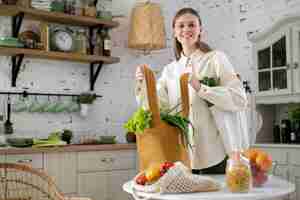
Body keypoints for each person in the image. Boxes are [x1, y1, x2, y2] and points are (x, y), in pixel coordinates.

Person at [135, 8, 248, 174]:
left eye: (191, 25)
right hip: (181, 158)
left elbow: (239, 99)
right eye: (181, 26)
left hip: (216, 155)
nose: (186, 29)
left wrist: (201, 88)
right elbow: (157, 109)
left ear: (200, 30)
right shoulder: (170, 71)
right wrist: (142, 86)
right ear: (174, 32)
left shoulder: (215, 59)